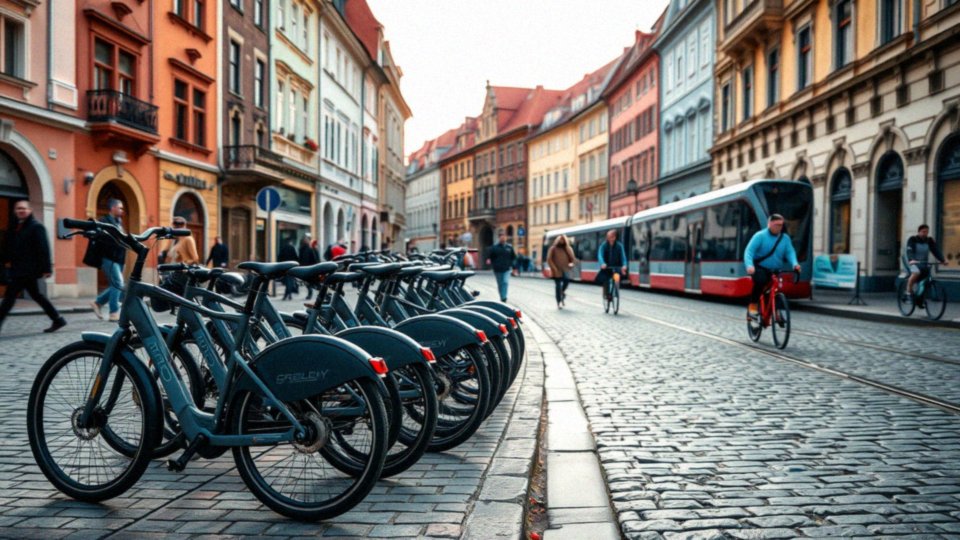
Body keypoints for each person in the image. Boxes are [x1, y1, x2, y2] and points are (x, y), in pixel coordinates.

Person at [0, 199, 66, 334]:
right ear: (15, 211)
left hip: (28, 270)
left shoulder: (36, 227)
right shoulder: (14, 227)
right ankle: (57, 319)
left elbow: (43, 248)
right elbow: (8, 248)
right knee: (36, 295)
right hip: (19, 269)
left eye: (24, 208)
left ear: (30, 210)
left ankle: (58, 319)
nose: (21, 211)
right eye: (18, 209)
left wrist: (47, 268)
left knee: (9, 298)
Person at [744, 213, 801, 318]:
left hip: (775, 269)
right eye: (776, 225)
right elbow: (749, 251)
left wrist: (795, 264)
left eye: (781, 225)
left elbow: (790, 252)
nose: (779, 228)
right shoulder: (760, 236)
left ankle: (776, 311)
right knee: (760, 283)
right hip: (760, 267)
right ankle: (753, 307)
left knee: (777, 288)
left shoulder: (785, 238)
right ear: (769, 224)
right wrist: (749, 265)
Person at [92, 198, 126, 321]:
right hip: (108, 257)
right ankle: (114, 312)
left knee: (115, 285)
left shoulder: (119, 222)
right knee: (118, 283)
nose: (122, 210)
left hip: (120, 258)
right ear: (113, 208)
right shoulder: (104, 221)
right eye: (120, 207)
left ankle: (98, 303)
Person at [905, 224, 948, 299]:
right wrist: (912, 259)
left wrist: (943, 260)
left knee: (925, 277)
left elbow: (935, 251)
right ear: (919, 232)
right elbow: (909, 250)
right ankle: (908, 290)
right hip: (913, 262)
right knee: (916, 273)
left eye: (927, 232)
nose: (925, 234)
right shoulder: (912, 239)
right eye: (923, 232)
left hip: (923, 263)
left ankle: (920, 296)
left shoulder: (929, 240)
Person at [547, 234, 576, 309]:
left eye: (563, 240)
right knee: (558, 286)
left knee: (566, 281)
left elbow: (572, 258)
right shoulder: (553, 248)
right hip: (556, 270)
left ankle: (562, 292)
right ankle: (558, 302)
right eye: (560, 240)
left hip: (565, 268)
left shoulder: (568, 248)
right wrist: (554, 268)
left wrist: (571, 264)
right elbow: (549, 259)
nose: (561, 241)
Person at [598, 229, 628, 301]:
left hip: (617, 266)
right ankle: (606, 294)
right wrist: (602, 263)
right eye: (607, 236)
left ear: (614, 237)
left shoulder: (619, 246)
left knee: (616, 277)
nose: (608, 238)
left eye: (610, 236)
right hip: (606, 266)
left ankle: (616, 289)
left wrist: (624, 265)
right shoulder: (604, 245)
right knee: (606, 280)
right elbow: (600, 255)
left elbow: (623, 256)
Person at [486, 231, 516, 302]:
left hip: (507, 269)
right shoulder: (494, 248)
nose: (503, 238)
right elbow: (490, 256)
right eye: (501, 237)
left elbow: (513, 258)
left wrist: (514, 268)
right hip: (497, 269)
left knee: (505, 282)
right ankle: (502, 296)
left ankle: (504, 297)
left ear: (506, 238)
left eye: (504, 237)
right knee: (500, 284)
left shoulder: (509, 247)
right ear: (499, 238)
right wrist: (489, 260)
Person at [298, 234, 319, 300]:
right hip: (307, 267)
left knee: (310, 282)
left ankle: (312, 293)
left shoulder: (310, 249)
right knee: (309, 282)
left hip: (309, 267)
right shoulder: (303, 249)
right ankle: (311, 293)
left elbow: (314, 259)